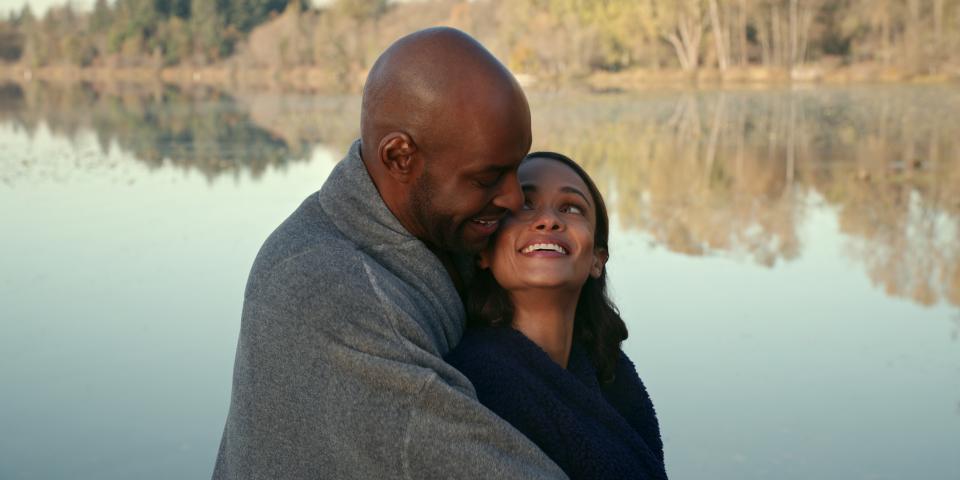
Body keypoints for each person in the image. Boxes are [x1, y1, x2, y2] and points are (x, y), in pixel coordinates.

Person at [213, 28, 567, 479]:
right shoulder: (333, 289)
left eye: (517, 168)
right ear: (400, 156)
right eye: (487, 177)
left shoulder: (442, 236)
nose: (514, 199)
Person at [445, 152, 669, 479]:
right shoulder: (469, 382)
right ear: (484, 253)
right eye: (525, 205)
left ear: (597, 259)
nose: (549, 220)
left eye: (570, 208)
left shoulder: (612, 375)